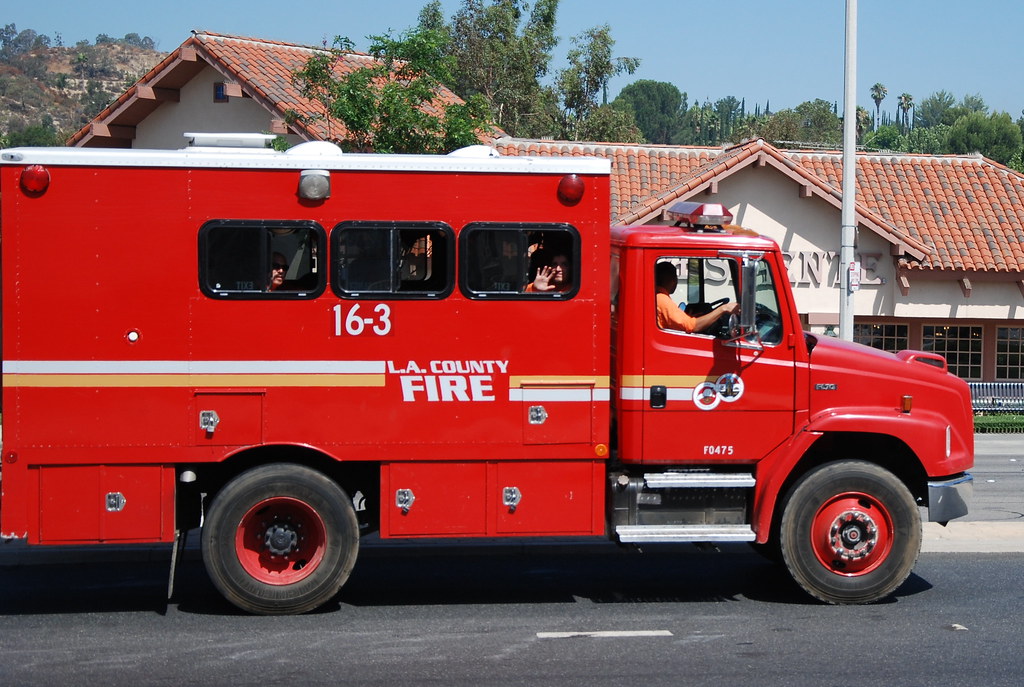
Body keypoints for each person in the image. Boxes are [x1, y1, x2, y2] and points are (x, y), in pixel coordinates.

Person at [655, 261, 737, 333]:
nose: (676, 281)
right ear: (670, 279)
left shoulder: (658, 297)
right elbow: (691, 326)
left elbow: (676, 322)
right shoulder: (661, 299)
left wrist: (688, 317)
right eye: (675, 277)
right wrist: (723, 309)